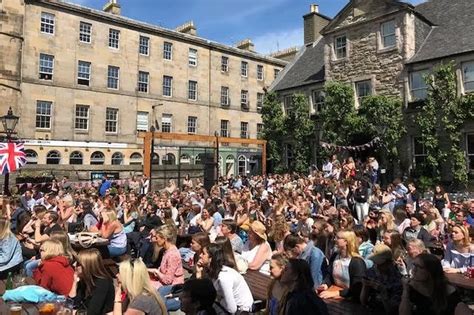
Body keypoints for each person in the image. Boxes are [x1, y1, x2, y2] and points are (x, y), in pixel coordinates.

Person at [197, 243, 254, 314]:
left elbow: (232, 309)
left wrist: (218, 299)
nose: (200, 255)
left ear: (211, 258)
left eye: (203, 253)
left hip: (241, 311)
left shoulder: (223, 278)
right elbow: (203, 291)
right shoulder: (212, 271)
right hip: (226, 305)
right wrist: (199, 273)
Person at [319, 230, 366, 301]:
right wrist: (326, 284)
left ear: (346, 241)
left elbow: (357, 288)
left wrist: (337, 293)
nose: (335, 239)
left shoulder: (357, 262)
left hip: (349, 299)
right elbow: (329, 276)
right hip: (334, 293)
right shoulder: (335, 256)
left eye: (338, 238)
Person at [69, 248, 115, 315]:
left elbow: (93, 312)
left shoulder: (102, 284)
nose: (75, 265)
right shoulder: (85, 280)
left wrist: (75, 313)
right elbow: (71, 303)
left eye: (78, 264)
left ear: (88, 266)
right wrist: (75, 282)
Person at [360, 244, 403, 315]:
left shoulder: (397, 278)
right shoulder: (371, 272)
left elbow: (391, 310)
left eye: (380, 264)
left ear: (389, 263)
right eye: (374, 262)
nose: (376, 266)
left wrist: (383, 291)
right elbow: (363, 302)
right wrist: (365, 286)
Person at [149, 225, 184, 310]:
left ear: (164, 239)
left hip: (172, 287)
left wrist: (156, 272)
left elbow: (168, 280)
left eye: (157, 238)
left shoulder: (172, 255)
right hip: (163, 282)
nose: (156, 240)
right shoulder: (166, 251)